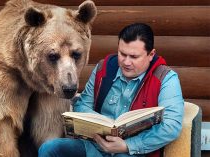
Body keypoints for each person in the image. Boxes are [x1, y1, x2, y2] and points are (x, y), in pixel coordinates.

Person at [38, 23, 184, 157]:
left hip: (133, 152)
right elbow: (83, 104)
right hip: (94, 146)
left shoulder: (166, 78)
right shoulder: (105, 67)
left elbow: (171, 126)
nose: (126, 62)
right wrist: (101, 124)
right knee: (50, 148)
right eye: (122, 54)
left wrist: (127, 145)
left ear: (151, 55)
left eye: (134, 57)